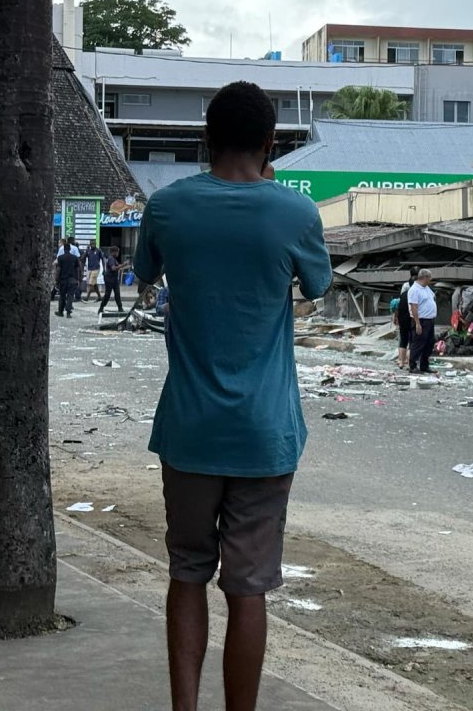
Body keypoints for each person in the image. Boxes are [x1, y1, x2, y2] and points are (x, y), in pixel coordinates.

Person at [132, 80, 331, 711]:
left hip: (189, 430)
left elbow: (144, 272)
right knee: (248, 589)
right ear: (271, 143)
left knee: (187, 574)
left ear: (205, 139)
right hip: (264, 433)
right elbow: (318, 285)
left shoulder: (169, 207)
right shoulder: (295, 212)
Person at [408, 268, 437, 374]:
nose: (430, 280)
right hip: (421, 320)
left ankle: (424, 365)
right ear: (424, 278)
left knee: (429, 343)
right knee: (418, 343)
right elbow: (414, 307)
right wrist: (417, 323)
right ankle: (413, 365)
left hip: (429, 319)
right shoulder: (414, 290)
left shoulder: (426, 288)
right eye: (429, 278)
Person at [392, 274, 414, 370]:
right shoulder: (415, 294)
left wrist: (396, 318)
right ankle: (409, 363)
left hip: (402, 319)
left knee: (403, 341)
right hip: (412, 319)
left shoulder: (403, 294)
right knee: (412, 342)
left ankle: (401, 362)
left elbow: (397, 307)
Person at [54, 239, 81, 318]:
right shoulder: (74, 258)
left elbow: (58, 270)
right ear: (69, 249)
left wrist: (56, 279)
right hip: (72, 280)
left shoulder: (60, 258)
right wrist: (78, 279)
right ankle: (68, 313)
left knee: (62, 296)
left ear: (64, 249)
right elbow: (78, 269)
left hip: (63, 280)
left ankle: (60, 311)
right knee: (70, 296)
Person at [98, 246, 126, 314]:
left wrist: (124, 266)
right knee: (107, 294)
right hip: (109, 279)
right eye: (117, 252)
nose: (118, 253)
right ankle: (101, 308)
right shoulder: (111, 259)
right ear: (114, 252)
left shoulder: (113, 259)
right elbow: (113, 268)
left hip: (114, 279)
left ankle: (120, 308)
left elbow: (117, 267)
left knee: (117, 293)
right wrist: (122, 265)